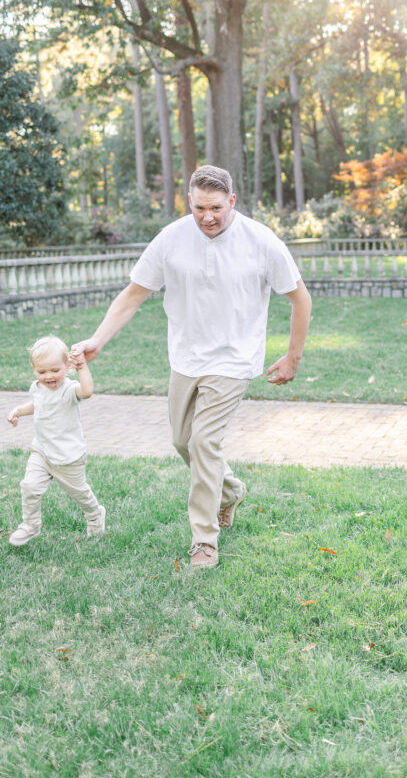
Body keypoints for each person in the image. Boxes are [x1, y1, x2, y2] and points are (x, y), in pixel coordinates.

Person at [71, 165, 312, 569]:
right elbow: (132, 295)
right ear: (190, 201)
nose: (208, 217)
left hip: (234, 359)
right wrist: (97, 340)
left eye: (216, 207)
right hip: (185, 357)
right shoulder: (171, 239)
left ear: (231, 201)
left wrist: (293, 357)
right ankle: (230, 490)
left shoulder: (260, 241)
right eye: (200, 207)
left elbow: (299, 298)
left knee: (203, 442)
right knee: (183, 441)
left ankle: (205, 540)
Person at [7, 335, 105, 546]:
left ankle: (95, 515)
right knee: (30, 486)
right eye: (41, 372)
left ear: (67, 366)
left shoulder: (68, 390)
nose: (48, 376)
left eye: (55, 370)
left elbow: (87, 391)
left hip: (68, 457)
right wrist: (19, 411)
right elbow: (38, 404)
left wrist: (82, 368)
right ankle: (30, 525)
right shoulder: (38, 387)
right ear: (34, 369)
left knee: (79, 493)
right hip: (41, 452)